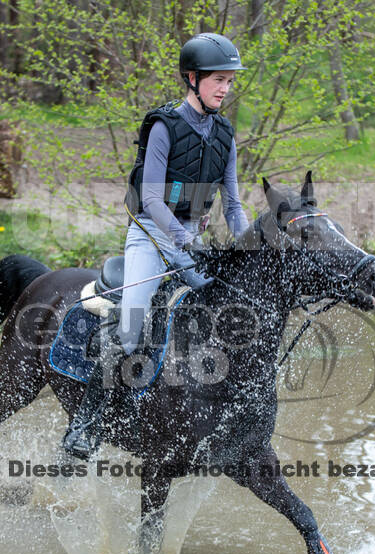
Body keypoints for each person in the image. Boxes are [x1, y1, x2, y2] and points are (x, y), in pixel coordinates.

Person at [63, 33, 250, 460]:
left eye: (230, 81)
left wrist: (247, 249)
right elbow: (150, 199)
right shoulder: (165, 126)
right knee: (129, 332)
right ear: (192, 78)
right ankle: (86, 426)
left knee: (222, 313)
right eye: (218, 79)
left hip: (191, 242)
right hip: (151, 235)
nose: (225, 88)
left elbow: (234, 205)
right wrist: (186, 241)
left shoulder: (225, 134)